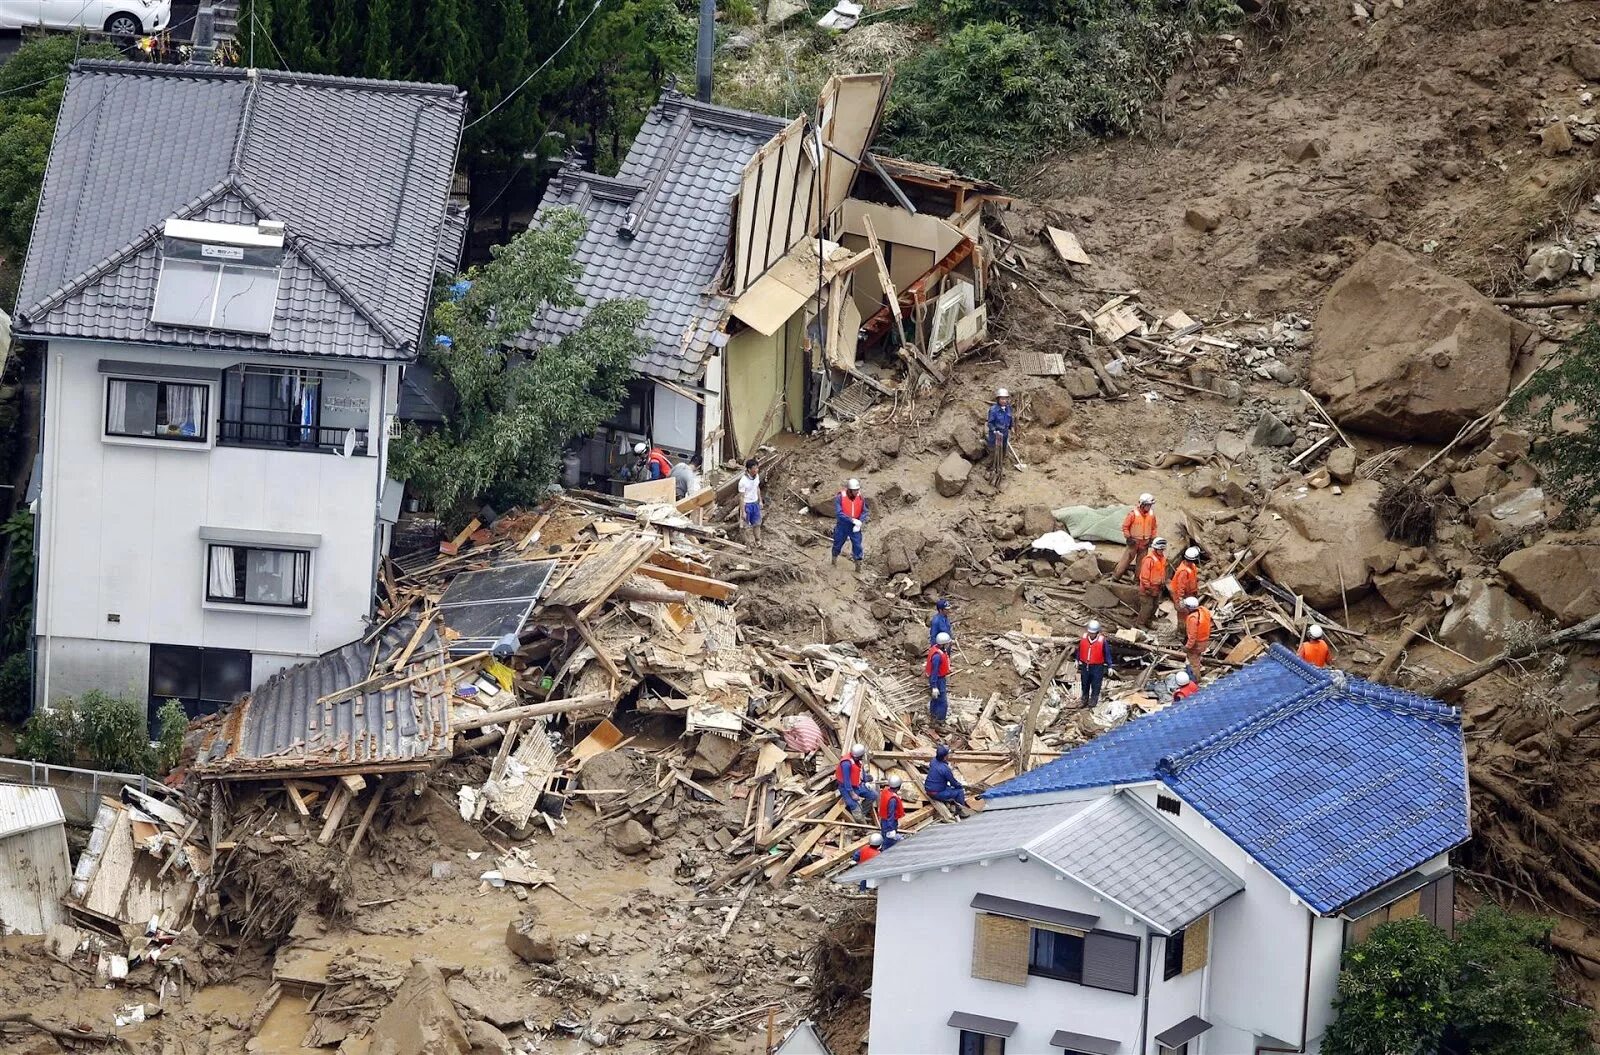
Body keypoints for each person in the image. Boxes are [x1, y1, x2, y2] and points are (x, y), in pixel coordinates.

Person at [1112, 494, 1158, 581]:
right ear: (1142, 504)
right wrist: (1128, 538)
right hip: (1134, 542)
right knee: (1125, 561)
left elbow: (1154, 527)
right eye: (1148, 505)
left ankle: (1137, 580)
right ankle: (1115, 577)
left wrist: (1152, 538)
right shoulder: (1133, 514)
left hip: (1145, 543)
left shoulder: (1151, 515)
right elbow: (1125, 527)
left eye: (1150, 505)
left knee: (1141, 563)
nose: (1149, 507)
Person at [831, 478, 868, 573]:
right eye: (855, 490)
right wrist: (852, 520)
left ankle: (858, 567)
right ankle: (834, 560)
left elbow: (864, 511)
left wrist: (860, 522)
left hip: (855, 527)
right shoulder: (840, 497)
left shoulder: (860, 497)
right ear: (849, 490)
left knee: (857, 545)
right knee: (837, 543)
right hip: (843, 525)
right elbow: (839, 513)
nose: (857, 492)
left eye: (857, 490)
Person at [1076, 620, 1114, 709]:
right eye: (1089, 632)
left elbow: (1107, 653)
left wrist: (1110, 666)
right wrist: (1077, 660)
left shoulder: (1102, 641)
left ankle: (1093, 700)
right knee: (1085, 683)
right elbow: (1080, 649)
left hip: (1097, 666)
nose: (1091, 634)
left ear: (1097, 632)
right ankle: (1084, 699)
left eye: (1093, 633)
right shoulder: (1084, 638)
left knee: (1096, 684)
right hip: (1086, 665)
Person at [924, 744, 970, 815]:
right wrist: (960, 786)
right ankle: (961, 812)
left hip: (928, 789)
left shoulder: (933, 761)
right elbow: (953, 782)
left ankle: (951, 802)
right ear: (945, 757)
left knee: (948, 788)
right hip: (937, 793)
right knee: (959, 791)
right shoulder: (945, 769)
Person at [1136, 537, 1169, 627]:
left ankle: (1149, 621)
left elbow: (1161, 572)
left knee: (1154, 606)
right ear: (1155, 548)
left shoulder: (1162, 559)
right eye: (1160, 549)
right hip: (1148, 589)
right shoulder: (1149, 560)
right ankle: (1140, 623)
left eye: (1163, 549)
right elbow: (1144, 576)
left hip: (1157, 588)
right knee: (1147, 607)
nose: (1162, 551)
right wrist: (1147, 587)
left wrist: (1162, 582)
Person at [836, 743, 875, 818]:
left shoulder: (858, 760)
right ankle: (860, 823)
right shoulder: (846, 763)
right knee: (854, 806)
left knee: (873, 795)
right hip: (846, 788)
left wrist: (865, 782)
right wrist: (852, 794)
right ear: (858, 756)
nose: (862, 757)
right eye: (862, 756)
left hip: (858, 785)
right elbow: (846, 780)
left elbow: (860, 771)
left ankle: (863, 813)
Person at [1169, 546, 1201, 638]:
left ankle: (1187, 630)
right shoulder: (1184, 571)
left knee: (1188, 613)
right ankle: (1181, 632)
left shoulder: (1191, 567)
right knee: (1183, 614)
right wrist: (1180, 600)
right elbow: (1180, 587)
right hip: (1182, 595)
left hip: (1190, 593)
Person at [986, 388, 1013, 485]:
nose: (1004, 401)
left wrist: (1011, 427)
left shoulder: (1008, 408)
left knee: (1003, 451)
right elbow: (990, 423)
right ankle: (989, 469)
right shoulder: (993, 410)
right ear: (998, 399)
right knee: (993, 453)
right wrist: (994, 431)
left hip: (1004, 434)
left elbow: (1010, 418)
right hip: (995, 435)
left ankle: (999, 468)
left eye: (1005, 399)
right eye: (1002, 399)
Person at [1184, 596, 1214, 678]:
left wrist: (1187, 647)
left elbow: (1192, 636)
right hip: (1204, 641)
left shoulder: (1193, 619)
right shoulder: (1203, 611)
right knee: (1197, 658)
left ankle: (1196, 679)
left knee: (1194, 663)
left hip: (1196, 644)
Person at [926, 633, 953, 723]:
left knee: (935, 698)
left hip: (938, 678)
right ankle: (940, 719)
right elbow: (934, 672)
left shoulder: (937, 649)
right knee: (942, 701)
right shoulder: (937, 656)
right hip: (938, 679)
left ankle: (933, 714)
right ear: (943, 644)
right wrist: (934, 686)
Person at [737, 459, 763, 548]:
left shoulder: (757, 477)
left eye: (757, 468)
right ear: (749, 469)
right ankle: (748, 545)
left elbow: (757, 488)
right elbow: (741, 497)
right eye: (754, 468)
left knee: (757, 524)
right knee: (746, 527)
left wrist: (760, 501)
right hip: (747, 505)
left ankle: (758, 541)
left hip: (755, 503)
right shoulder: (743, 481)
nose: (756, 470)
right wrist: (743, 511)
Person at [879, 775, 905, 848]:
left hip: (884, 820)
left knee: (885, 837)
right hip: (889, 823)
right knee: (888, 842)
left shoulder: (885, 791)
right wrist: (891, 829)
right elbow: (891, 815)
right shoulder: (892, 800)